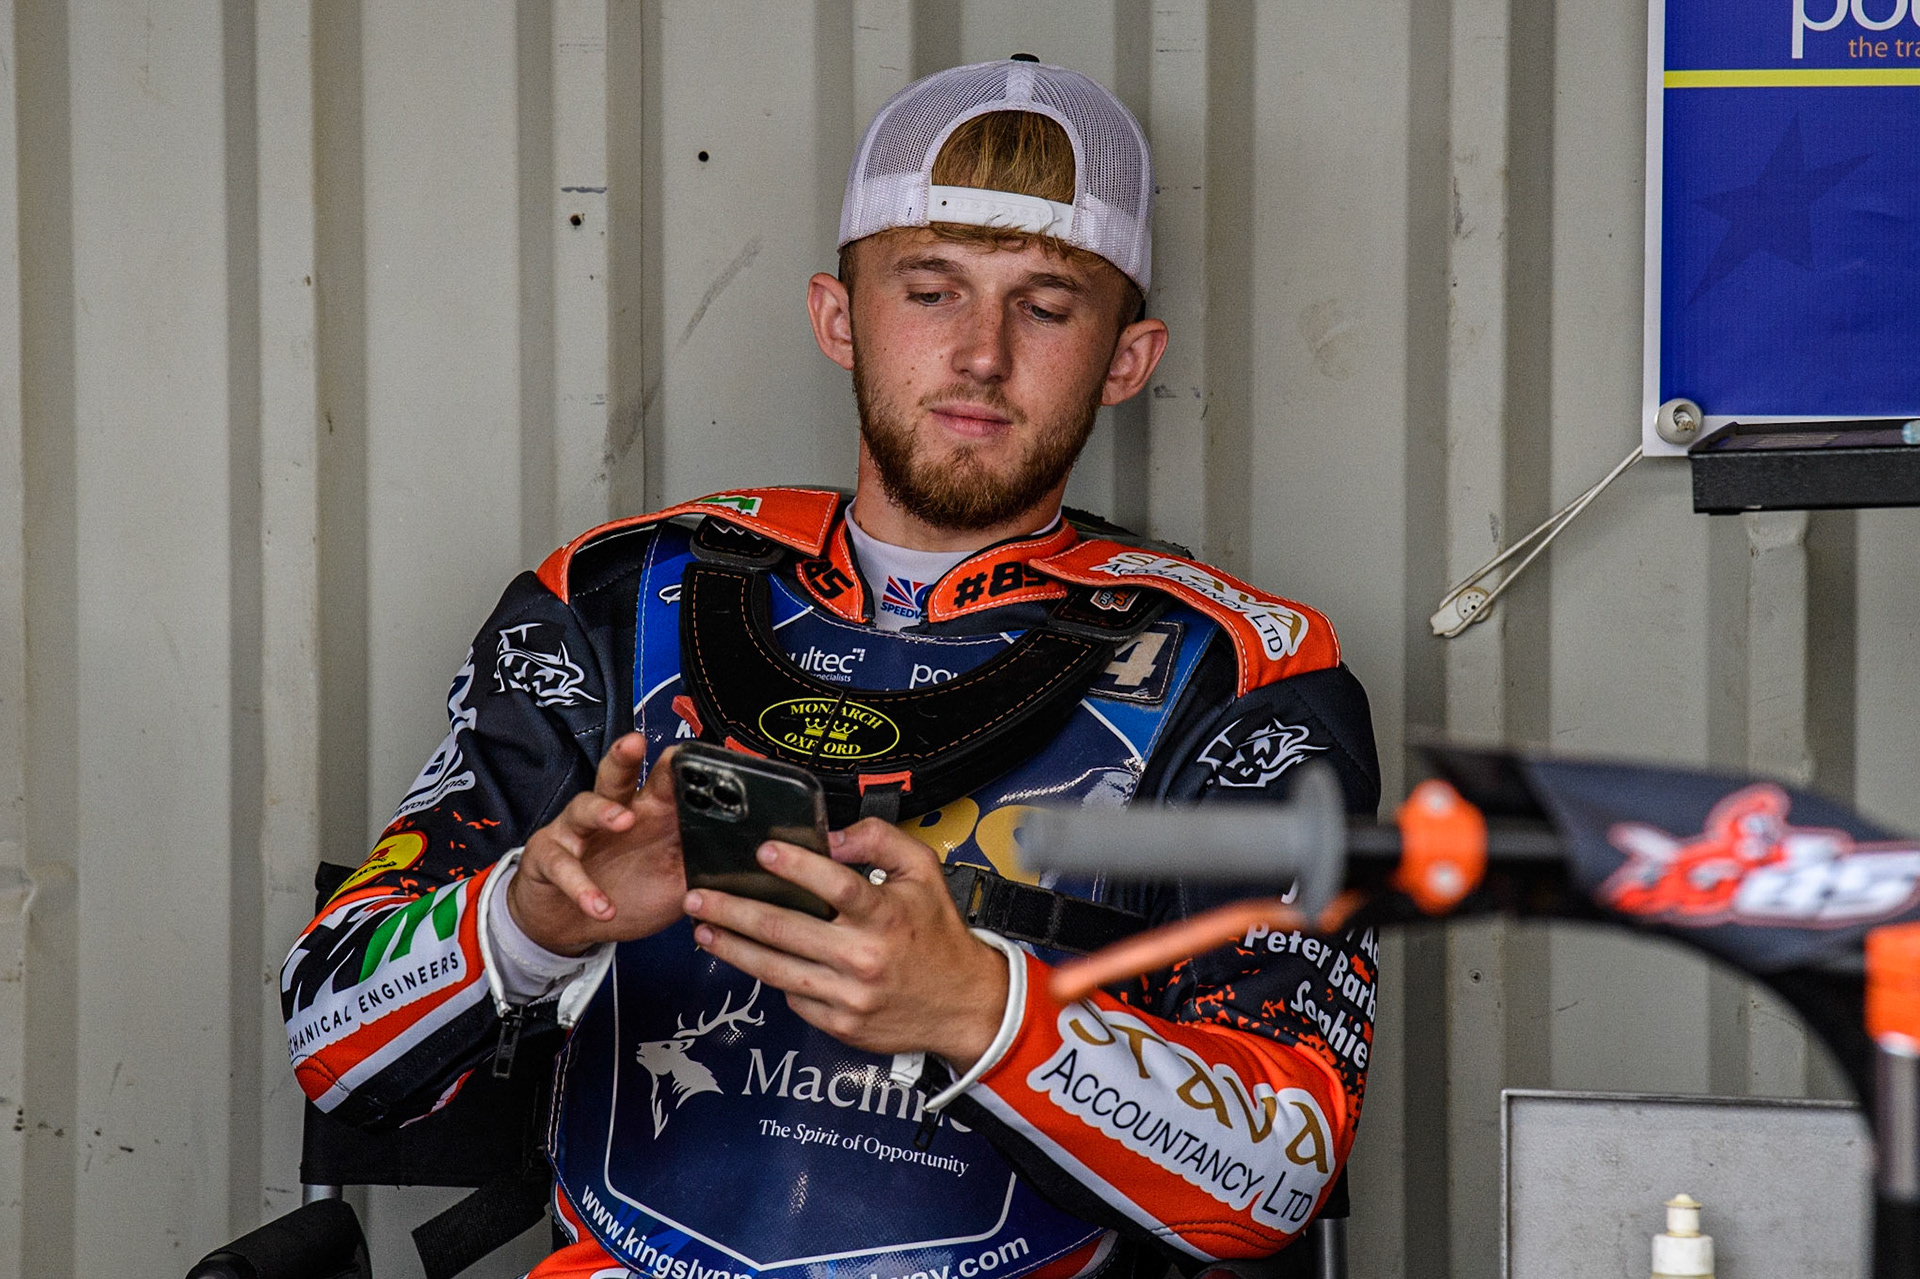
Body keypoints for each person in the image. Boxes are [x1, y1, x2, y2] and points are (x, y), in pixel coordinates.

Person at [281, 57, 1381, 1279]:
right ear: (838, 316)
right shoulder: (614, 593)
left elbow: (1284, 1163)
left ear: (1128, 359)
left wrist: (981, 1009)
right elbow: (330, 1036)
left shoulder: (1243, 670)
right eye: (930, 290)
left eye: (1049, 306)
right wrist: (528, 920)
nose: (979, 354)